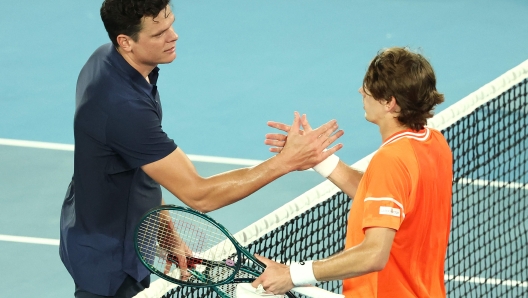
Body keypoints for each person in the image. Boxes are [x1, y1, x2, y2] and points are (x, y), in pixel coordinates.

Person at [58, 1, 344, 297]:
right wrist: (286, 161)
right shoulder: (122, 107)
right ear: (126, 42)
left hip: (115, 229)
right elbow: (200, 194)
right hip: (108, 259)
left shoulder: (109, 59)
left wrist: (164, 230)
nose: (174, 36)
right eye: (159, 34)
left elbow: (141, 163)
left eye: (171, 25)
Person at [253, 47, 453, 297]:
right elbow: (385, 194)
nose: (361, 91)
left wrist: (293, 274)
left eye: (368, 88)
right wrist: (320, 159)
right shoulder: (434, 143)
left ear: (389, 102)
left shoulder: (391, 160)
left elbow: (374, 255)